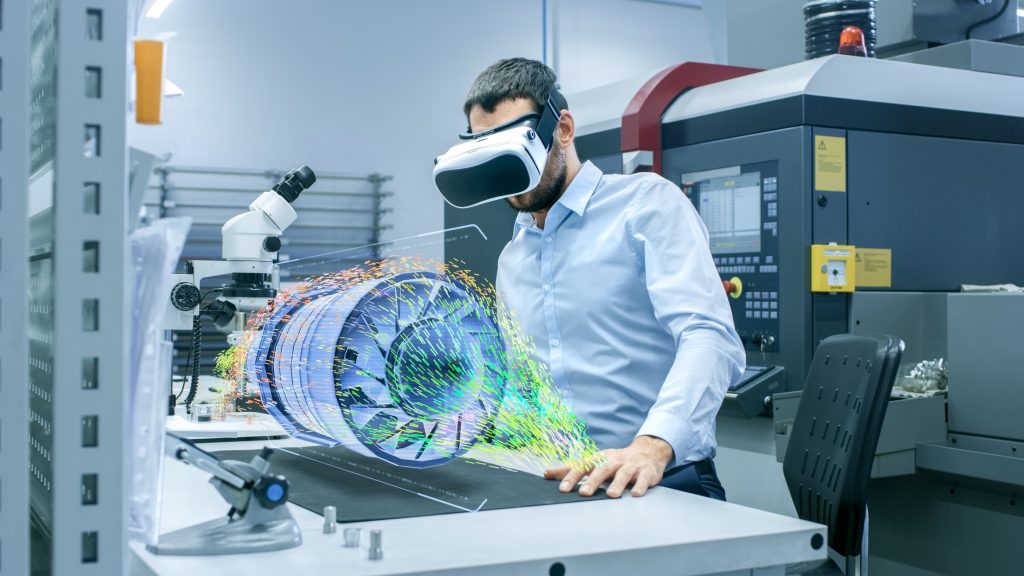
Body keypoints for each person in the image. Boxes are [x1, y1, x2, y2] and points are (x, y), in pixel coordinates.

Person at [462, 58, 744, 500]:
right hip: (557, 483)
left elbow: (708, 335)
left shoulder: (646, 206)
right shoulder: (513, 256)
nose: (509, 171)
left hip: (656, 480)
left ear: (563, 129)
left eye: (516, 147)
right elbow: (522, 383)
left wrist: (653, 445)